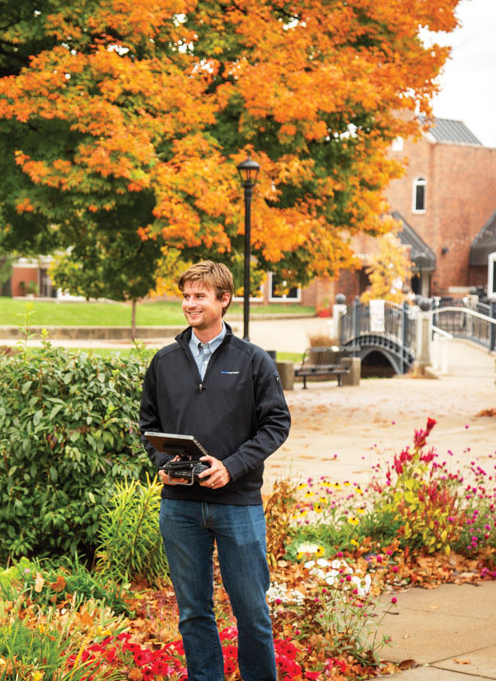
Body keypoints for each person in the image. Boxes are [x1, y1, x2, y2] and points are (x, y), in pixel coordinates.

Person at [139, 260, 291, 681]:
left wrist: (233, 467)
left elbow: (277, 424)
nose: (190, 304)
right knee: (193, 613)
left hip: (237, 506)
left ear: (224, 300)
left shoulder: (253, 361)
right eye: (186, 296)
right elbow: (148, 424)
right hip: (180, 508)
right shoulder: (165, 361)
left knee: (252, 612)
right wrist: (162, 465)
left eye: (200, 296)